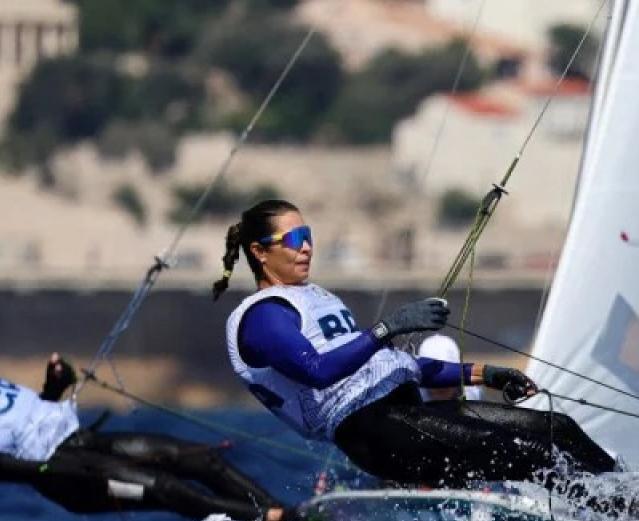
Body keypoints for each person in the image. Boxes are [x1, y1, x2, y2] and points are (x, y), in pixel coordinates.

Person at [213, 198, 617, 488]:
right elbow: (317, 371)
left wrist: (488, 374)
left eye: (309, 235)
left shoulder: (317, 298)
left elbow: (395, 365)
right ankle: (625, 518)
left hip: (405, 412)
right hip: (372, 431)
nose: (306, 246)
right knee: (535, 456)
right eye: (294, 237)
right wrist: (388, 327)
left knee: (556, 427)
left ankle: (634, 494)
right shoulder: (262, 317)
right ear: (259, 252)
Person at [0, 317, 295, 521]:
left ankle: (283, 513)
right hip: (65, 477)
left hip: (82, 443)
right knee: (168, 489)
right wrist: (48, 469)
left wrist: (54, 385)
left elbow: (25, 420)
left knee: (200, 460)